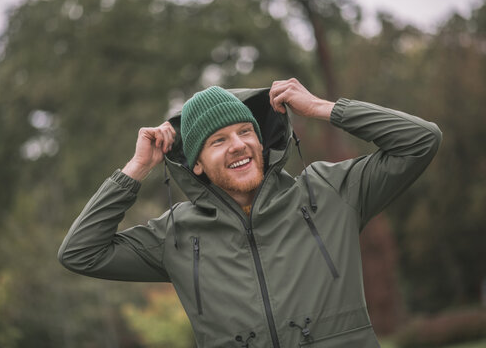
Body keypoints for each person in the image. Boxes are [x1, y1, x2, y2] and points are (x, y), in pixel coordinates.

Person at [58, 78, 441, 347]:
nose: (238, 145)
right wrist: (138, 168)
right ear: (197, 165)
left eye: (245, 131)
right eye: (218, 140)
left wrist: (324, 108)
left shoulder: (329, 191)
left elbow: (420, 141)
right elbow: (80, 252)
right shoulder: (173, 235)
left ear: (260, 139)